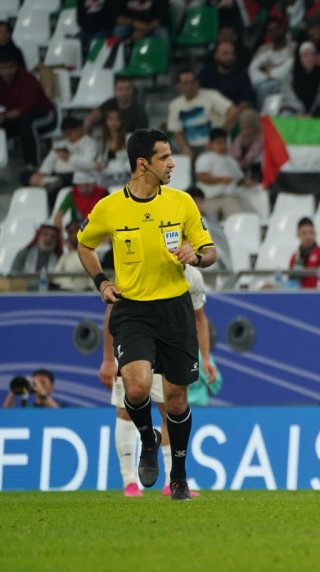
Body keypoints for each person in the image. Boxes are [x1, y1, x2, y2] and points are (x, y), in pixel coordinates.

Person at [76, 128, 217, 501]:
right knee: (136, 388)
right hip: (133, 310)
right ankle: (147, 439)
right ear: (143, 164)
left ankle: (180, 478)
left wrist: (196, 256)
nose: (172, 164)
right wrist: (102, 282)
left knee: (176, 400)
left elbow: (209, 251)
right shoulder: (110, 208)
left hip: (174, 309)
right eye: (165, 157)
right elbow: (84, 244)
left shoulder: (182, 202)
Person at [100, 264, 216, 497]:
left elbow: (200, 319)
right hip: (135, 343)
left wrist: (206, 358)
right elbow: (112, 313)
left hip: (166, 347)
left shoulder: (192, 277)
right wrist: (108, 359)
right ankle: (130, 482)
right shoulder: (138, 268)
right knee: (127, 406)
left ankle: (172, 480)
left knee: (170, 409)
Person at [0, 48, 57, 167]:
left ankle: (33, 165)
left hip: (44, 114)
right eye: (3, 68)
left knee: (26, 124)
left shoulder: (27, 79)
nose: (7, 72)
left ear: (16, 67)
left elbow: (25, 108)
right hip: (15, 116)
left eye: (10, 67)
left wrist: (4, 117)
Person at [167, 69, 237, 159]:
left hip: (214, 146)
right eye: (185, 83)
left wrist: (219, 137)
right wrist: (184, 148)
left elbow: (233, 111)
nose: (190, 86)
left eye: (192, 82)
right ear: (178, 86)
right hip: (191, 149)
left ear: (197, 83)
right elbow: (177, 131)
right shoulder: (175, 105)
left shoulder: (211, 96)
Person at [194, 128, 256, 219]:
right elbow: (201, 177)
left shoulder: (231, 161)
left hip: (230, 197)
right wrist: (222, 180)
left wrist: (248, 182)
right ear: (211, 144)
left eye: (224, 143)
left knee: (245, 214)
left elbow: (240, 179)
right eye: (219, 143)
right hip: (210, 198)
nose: (222, 146)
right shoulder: (205, 158)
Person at [248, 19, 295, 108]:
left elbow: (284, 72)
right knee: (251, 86)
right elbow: (252, 70)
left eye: (277, 29)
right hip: (264, 80)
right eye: (271, 31)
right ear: (268, 34)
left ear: (283, 29)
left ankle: (261, 116)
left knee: (264, 88)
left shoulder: (293, 47)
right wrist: (268, 76)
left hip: (285, 81)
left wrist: (267, 71)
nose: (275, 32)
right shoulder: (263, 49)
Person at [199, 40, 256, 109]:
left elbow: (246, 101)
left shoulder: (241, 74)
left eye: (232, 54)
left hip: (236, 111)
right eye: (225, 54)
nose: (230, 57)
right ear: (216, 56)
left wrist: (233, 113)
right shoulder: (206, 73)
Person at [186, 187, 231, 273]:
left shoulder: (210, 219)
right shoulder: (183, 220)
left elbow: (220, 244)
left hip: (215, 263)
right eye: (195, 202)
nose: (198, 206)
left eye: (200, 202)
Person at [83, 76, 149, 134]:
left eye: (128, 89)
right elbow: (92, 117)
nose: (124, 92)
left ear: (132, 90)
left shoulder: (139, 113)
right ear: (115, 91)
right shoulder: (109, 104)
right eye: (121, 89)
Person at [289, 217, 320, 289]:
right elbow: (291, 281)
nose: (308, 236)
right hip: (299, 296)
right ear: (298, 234)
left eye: (311, 232)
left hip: (317, 296)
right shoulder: (294, 257)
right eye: (304, 233)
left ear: (315, 233)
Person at [52, 221, 94, 292]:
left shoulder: (91, 253)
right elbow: (55, 277)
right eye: (70, 232)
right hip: (64, 292)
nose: (74, 235)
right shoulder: (65, 256)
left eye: (76, 231)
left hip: (82, 293)